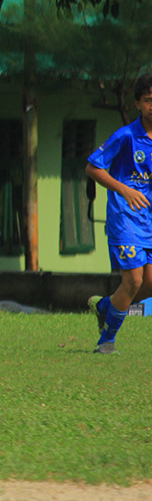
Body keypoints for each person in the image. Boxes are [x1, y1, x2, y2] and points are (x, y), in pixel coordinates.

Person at [85, 72, 152, 355]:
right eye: (148, 100)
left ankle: (104, 307)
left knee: (147, 285)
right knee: (134, 280)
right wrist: (123, 190)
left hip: (148, 220)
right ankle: (107, 341)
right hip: (125, 219)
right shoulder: (125, 136)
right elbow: (93, 167)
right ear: (137, 103)